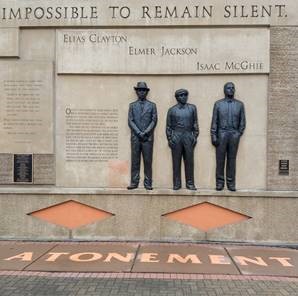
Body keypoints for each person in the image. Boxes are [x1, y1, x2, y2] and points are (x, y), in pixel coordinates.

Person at [210, 82, 246, 191]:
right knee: (220, 160)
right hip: (222, 133)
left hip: (234, 134)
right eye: (229, 88)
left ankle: (231, 183)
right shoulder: (218, 104)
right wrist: (213, 135)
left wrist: (238, 133)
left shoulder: (240, 104)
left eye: (233, 88)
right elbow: (214, 121)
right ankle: (220, 183)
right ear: (224, 90)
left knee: (231, 159)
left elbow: (243, 121)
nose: (231, 90)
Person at [166, 89, 199, 190]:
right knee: (176, 161)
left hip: (188, 135)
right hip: (176, 135)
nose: (184, 97)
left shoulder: (192, 108)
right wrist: (170, 139)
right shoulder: (172, 110)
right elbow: (168, 126)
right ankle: (177, 183)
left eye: (185, 95)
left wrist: (195, 135)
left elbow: (195, 123)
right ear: (177, 98)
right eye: (181, 95)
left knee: (189, 161)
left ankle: (190, 183)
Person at [127, 82, 157, 190]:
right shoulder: (132, 106)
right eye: (139, 90)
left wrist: (146, 132)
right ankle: (134, 182)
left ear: (146, 92)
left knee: (148, 161)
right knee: (135, 161)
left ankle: (148, 183)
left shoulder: (152, 105)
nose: (141, 92)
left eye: (143, 90)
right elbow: (130, 121)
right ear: (136, 92)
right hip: (136, 137)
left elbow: (154, 120)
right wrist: (139, 132)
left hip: (148, 138)